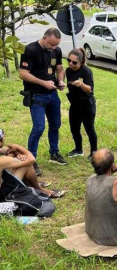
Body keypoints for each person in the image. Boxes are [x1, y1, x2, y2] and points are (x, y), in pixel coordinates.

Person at [19, 28, 67, 177]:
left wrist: (60, 80)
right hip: (36, 95)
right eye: (52, 44)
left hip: (52, 95)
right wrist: (43, 83)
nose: (53, 48)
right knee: (38, 128)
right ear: (44, 38)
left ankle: (54, 153)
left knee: (55, 125)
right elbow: (23, 73)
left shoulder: (56, 50)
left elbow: (59, 68)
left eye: (56, 45)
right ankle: (31, 160)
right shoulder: (30, 49)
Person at [0, 128, 65, 200]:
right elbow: (31, 159)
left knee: (12, 154)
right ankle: (41, 190)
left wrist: (18, 154)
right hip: (3, 195)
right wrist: (17, 146)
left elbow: (9, 150)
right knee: (27, 164)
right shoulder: (2, 160)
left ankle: (28, 184)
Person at [65, 48, 97, 159]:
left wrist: (82, 84)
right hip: (74, 104)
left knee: (89, 129)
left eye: (74, 62)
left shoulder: (86, 71)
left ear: (81, 62)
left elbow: (90, 89)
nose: (70, 63)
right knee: (74, 128)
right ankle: (78, 149)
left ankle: (94, 152)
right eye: (68, 60)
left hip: (87, 105)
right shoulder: (68, 71)